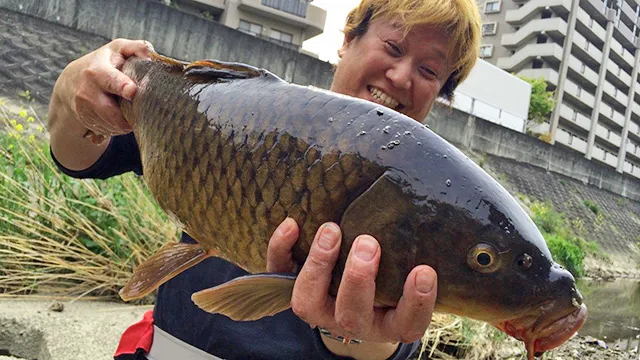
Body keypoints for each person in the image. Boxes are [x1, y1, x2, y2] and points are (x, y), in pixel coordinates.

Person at [47, 0, 481, 359]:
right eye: (392, 47)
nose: (402, 76)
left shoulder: (424, 195)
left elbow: (388, 344)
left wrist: (359, 334)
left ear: (439, 94)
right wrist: (73, 92)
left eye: (428, 72)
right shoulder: (242, 110)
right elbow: (79, 157)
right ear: (347, 41)